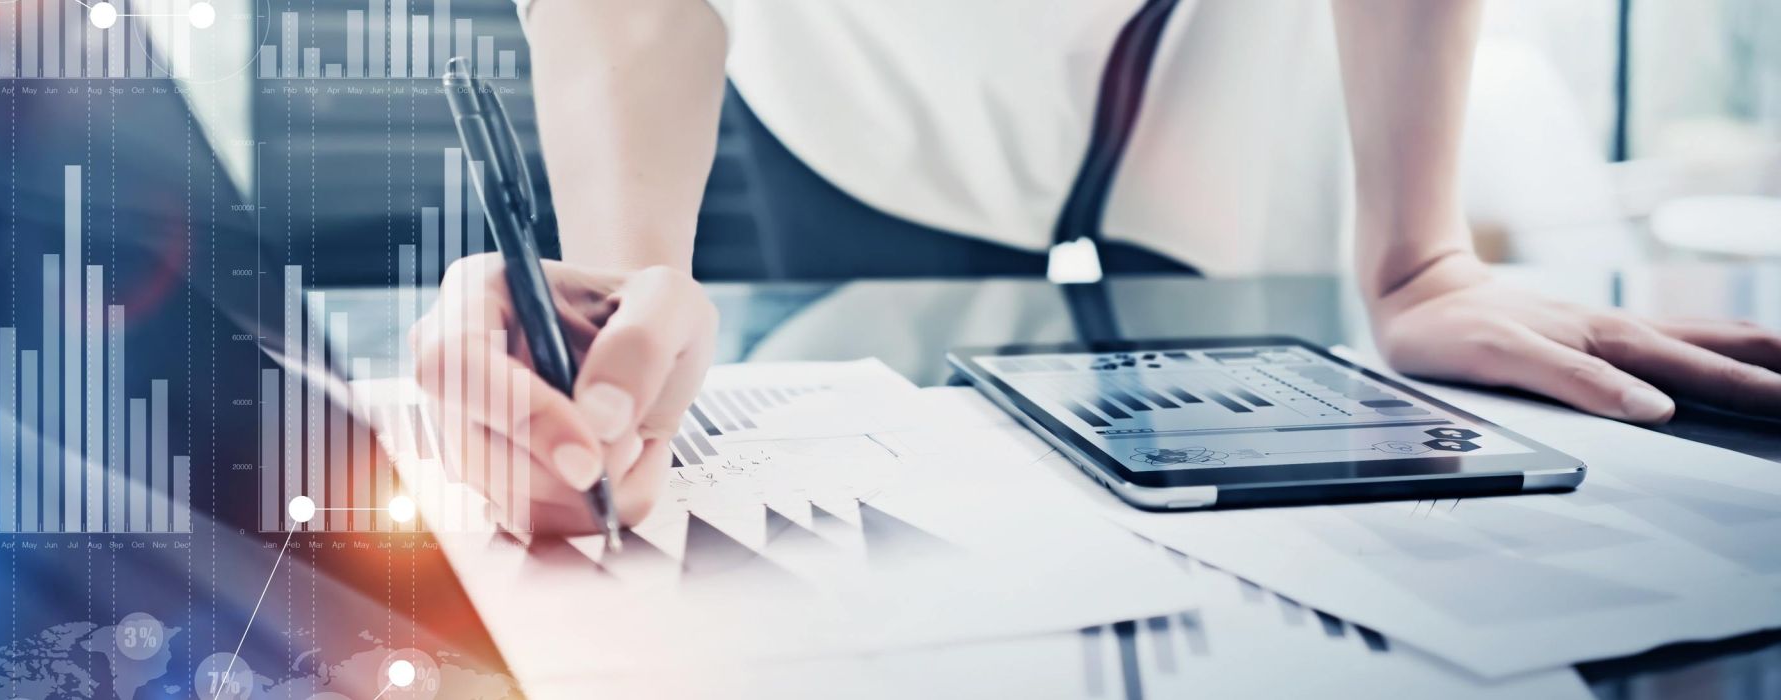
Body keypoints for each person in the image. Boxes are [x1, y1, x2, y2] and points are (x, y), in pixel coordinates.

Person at [410, 0, 1781, 534]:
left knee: (1262, 519)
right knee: (902, 512)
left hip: (1209, 61)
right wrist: (624, 295)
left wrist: (1417, 255)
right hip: (868, 76)